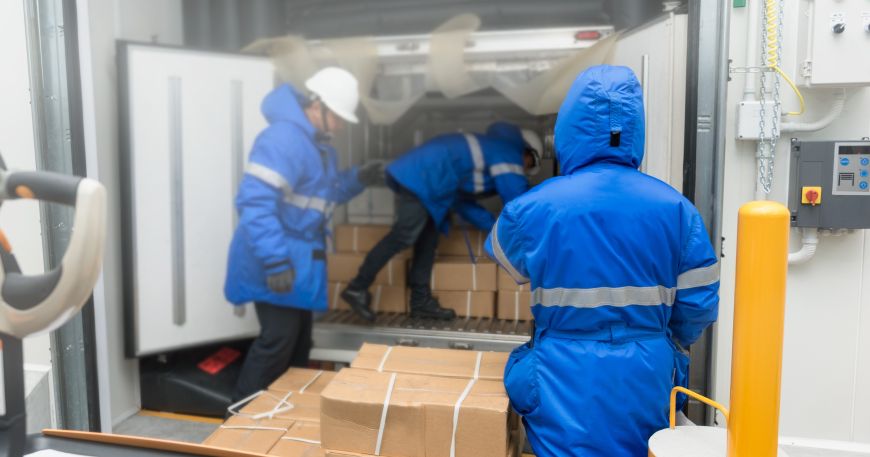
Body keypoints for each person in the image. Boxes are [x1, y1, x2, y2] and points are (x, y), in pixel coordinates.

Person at [486, 65, 720, 457]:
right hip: (647, 375)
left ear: (568, 129)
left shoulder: (532, 207)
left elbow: (507, 260)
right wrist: (670, 346)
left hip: (562, 376)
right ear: (635, 128)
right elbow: (699, 304)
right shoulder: (678, 210)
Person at [224, 67, 383, 401]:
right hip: (278, 260)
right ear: (316, 104)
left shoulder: (317, 146)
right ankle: (238, 421)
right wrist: (275, 260)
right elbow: (255, 203)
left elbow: (323, 194)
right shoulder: (284, 139)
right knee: (277, 343)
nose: (339, 126)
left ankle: (281, 418)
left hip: (296, 261)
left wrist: (357, 179)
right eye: (337, 117)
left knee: (297, 346)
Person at [340, 123, 543, 322]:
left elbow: (463, 203)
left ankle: (420, 303)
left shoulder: (491, 151)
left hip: (431, 181)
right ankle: (357, 288)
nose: (525, 169)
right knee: (403, 236)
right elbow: (518, 203)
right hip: (423, 177)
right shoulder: (507, 151)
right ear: (526, 150)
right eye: (530, 163)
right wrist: (531, 239)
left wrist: (493, 228)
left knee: (427, 242)